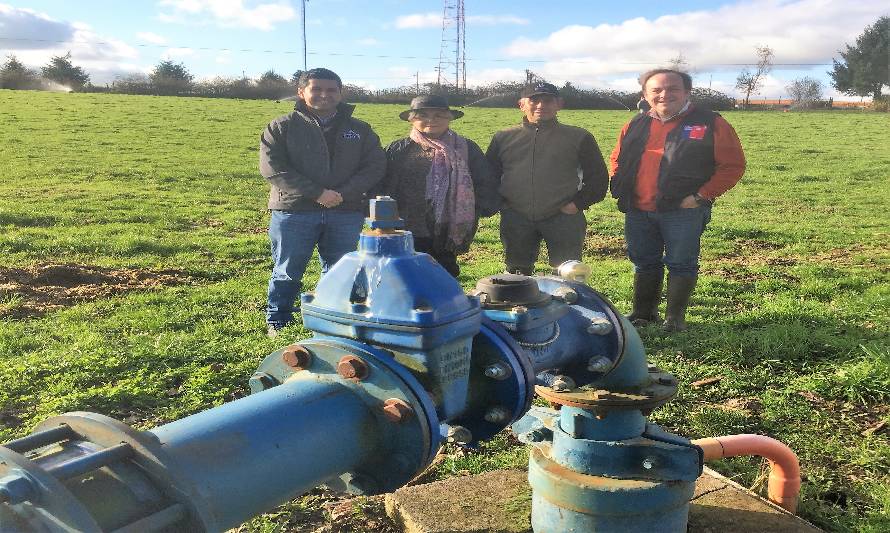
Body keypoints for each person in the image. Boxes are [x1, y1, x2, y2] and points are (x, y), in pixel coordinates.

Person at [609, 68, 746, 331]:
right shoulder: (635, 124)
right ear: (645, 94)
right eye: (656, 90)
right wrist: (621, 183)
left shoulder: (711, 122)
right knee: (644, 261)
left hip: (683, 210)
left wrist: (701, 196)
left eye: (672, 89)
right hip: (638, 208)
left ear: (687, 92)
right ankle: (643, 313)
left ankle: (674, 318)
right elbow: (617, 158)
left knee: (681, 263)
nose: (664, 95)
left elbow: (733, 166)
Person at [260, 68, 386, 336]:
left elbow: (375, 166)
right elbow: (273, 168)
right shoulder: (281, 126)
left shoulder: (359, 129)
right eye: (316, 89)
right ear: (301, 92)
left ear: (341, 93)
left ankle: (331, 315)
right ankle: (278, 317)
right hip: (294, 210)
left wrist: (343, 193)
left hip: (345, 210)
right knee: (287, 270)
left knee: (340, 269)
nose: (324, 95)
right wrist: (317, 193)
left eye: (331, 90)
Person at [486, 82, 610, 275]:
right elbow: (489, 176)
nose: (541, 105)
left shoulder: (579, 137)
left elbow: (598, 178)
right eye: (534, 100)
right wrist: (503, 203)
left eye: (548, 100)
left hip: (564, 216)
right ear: (521, 104)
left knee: (568, 273)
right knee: (517, 272)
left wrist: (577, 204)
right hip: (516, 216)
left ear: (559, 104)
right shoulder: (503, 137)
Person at [381, 95, 499, 277]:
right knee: (406, 275)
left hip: (448, 227)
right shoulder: (398, 148)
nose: (431, 120)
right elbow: (383, 183)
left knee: (445, 274)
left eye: (438, 115)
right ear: (412, 119)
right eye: (423, 115)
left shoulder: (467, 148)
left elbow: (485, 182)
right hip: (405, 225)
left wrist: (475, 210)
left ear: (449, 118)